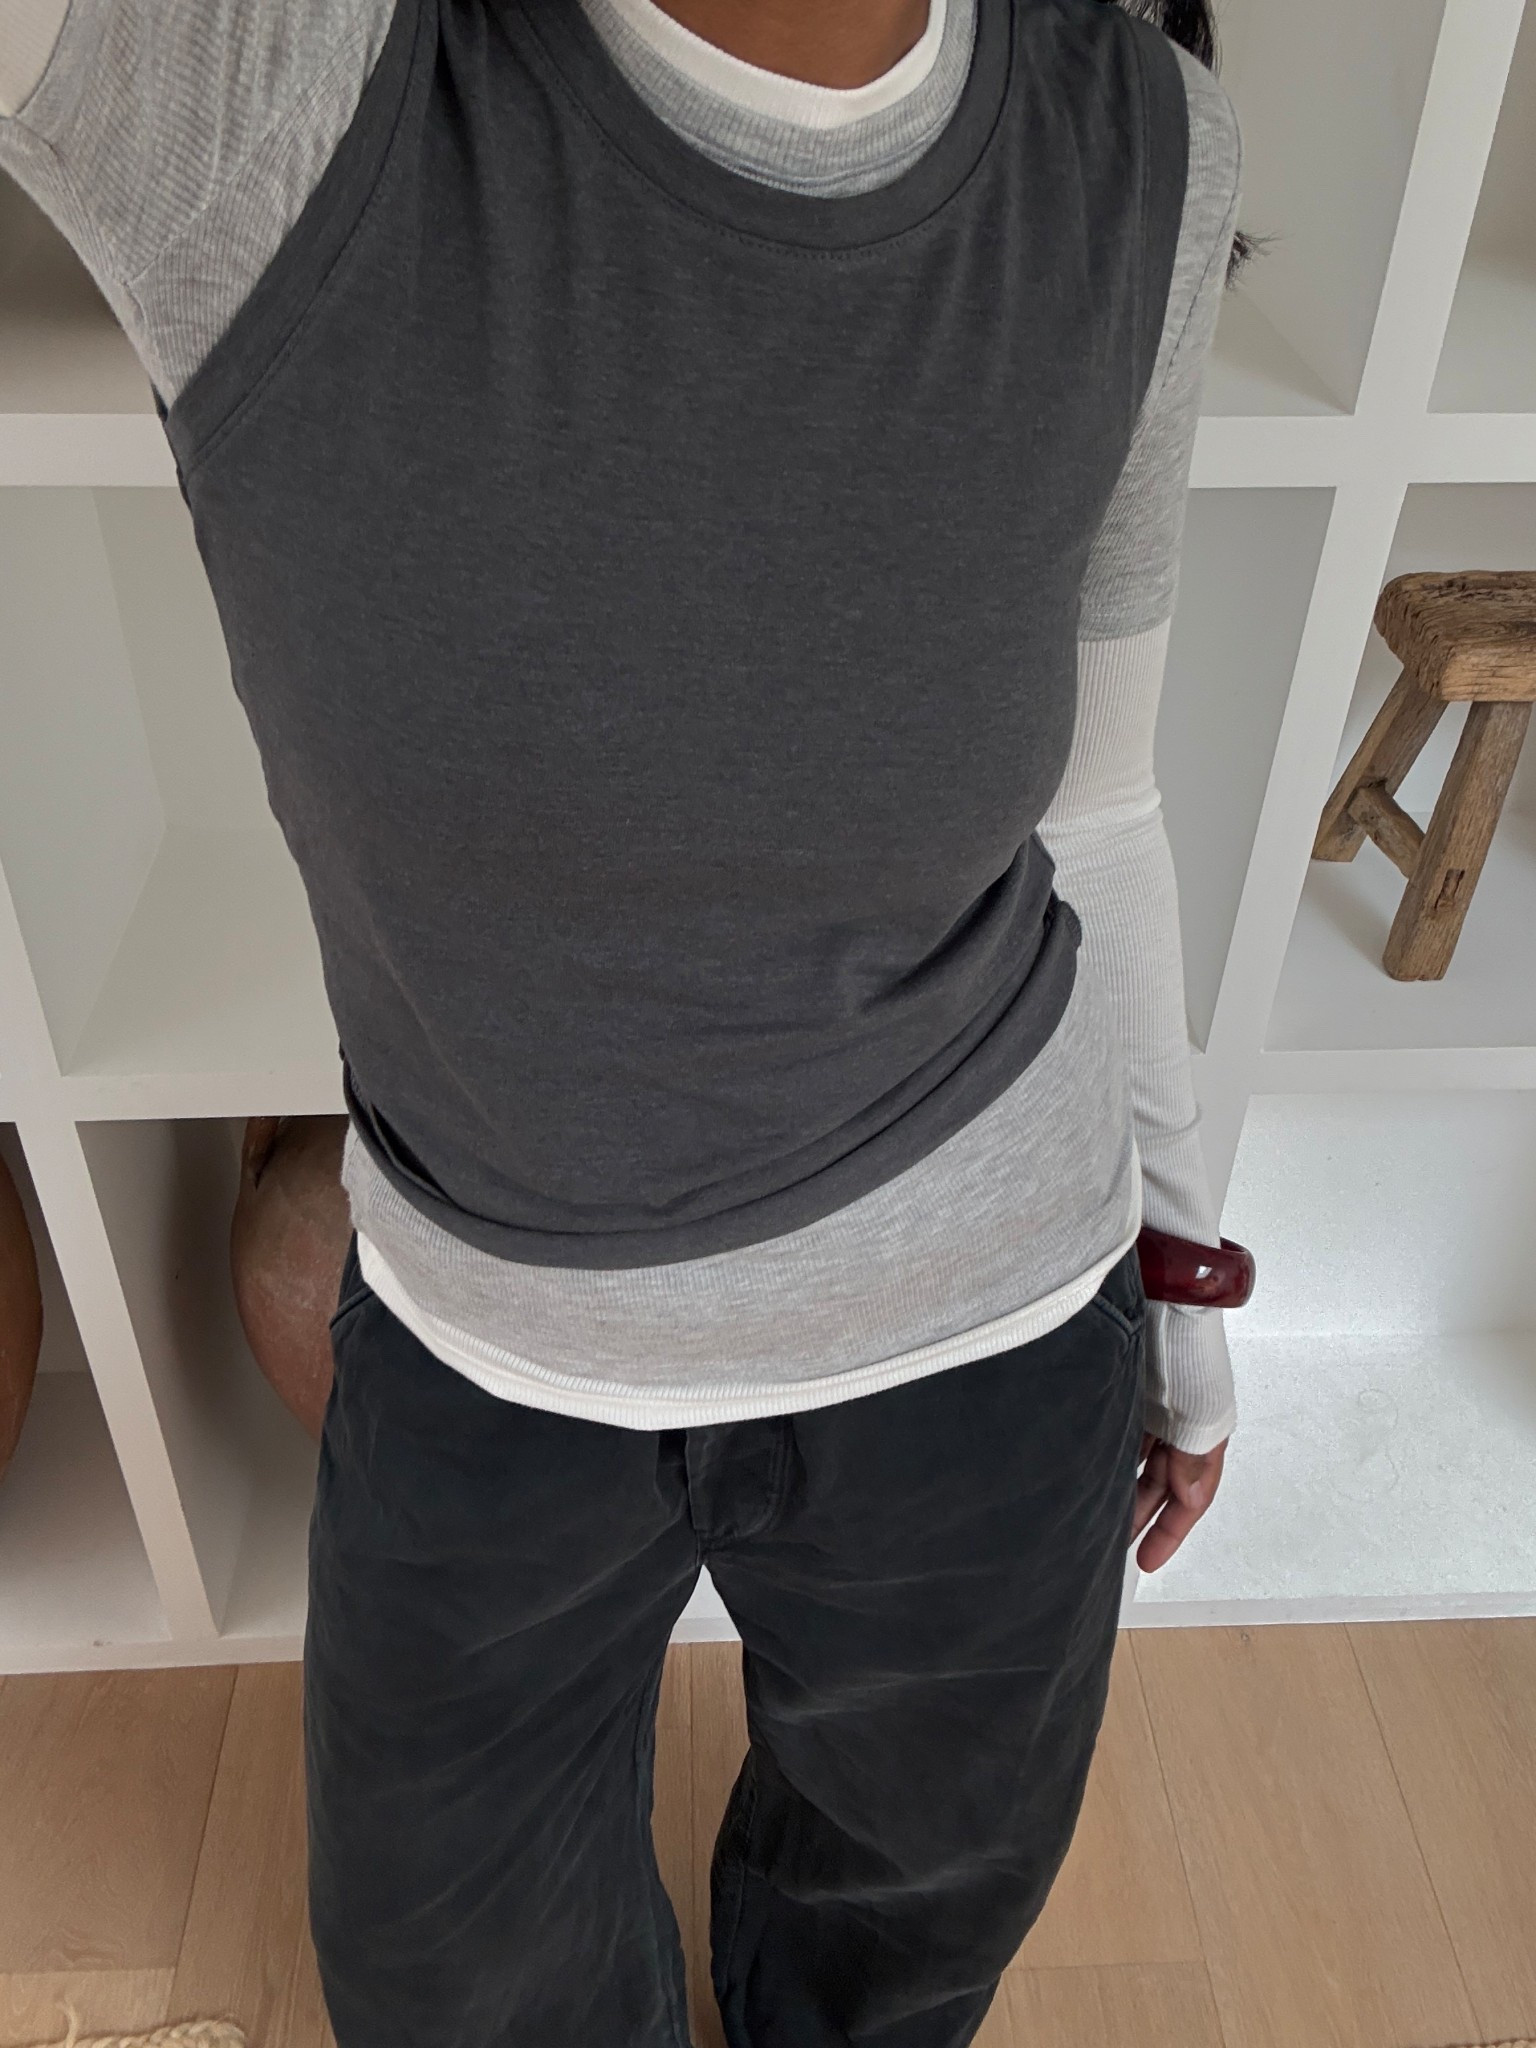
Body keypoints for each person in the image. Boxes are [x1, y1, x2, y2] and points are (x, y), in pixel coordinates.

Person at [0, 0, 1253, 2040]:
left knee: (905, 1938)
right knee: (449, 1985)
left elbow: (1098, 804)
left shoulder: (1140, 146)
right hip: (491, 1340)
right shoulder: (264, 98)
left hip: (995, 1319)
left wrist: (1187, 1261)